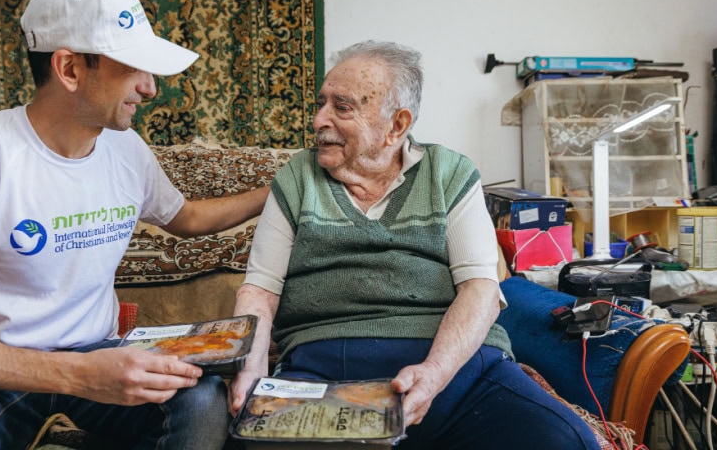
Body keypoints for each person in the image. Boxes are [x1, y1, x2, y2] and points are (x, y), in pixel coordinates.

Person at [0, 0, 269, 450]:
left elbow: (189, 219)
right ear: (71, 69)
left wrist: (278, 190)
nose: (150, 89)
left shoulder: (127, 151)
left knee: (201, 402)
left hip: (96, 353)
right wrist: (76, 375)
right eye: (133, 68)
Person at [227, 40, 601, 449]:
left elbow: (481, 288)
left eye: (342, 107)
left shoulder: (449, 173)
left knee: (564, 441)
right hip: (323, 368)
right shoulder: (297, 177)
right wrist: (250, 367)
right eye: (321, 104)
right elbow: (260, 291)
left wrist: (435, 372)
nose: (319, 120)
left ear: (397, 125)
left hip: (453, 367)